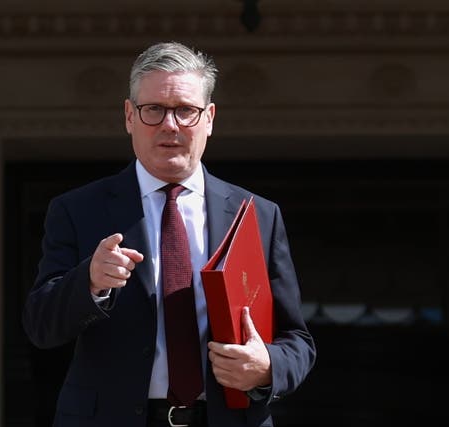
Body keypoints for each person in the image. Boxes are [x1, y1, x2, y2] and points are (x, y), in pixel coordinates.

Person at [23, 41, 316, 427]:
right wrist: (90, 282)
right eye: (154, 109)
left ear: (209, 118)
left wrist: (265, 368)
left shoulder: (258, 215)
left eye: (185, 110)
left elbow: (297, 341)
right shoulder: (78, 210)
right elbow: (40, 327)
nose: (170, 124)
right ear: (129, 116)